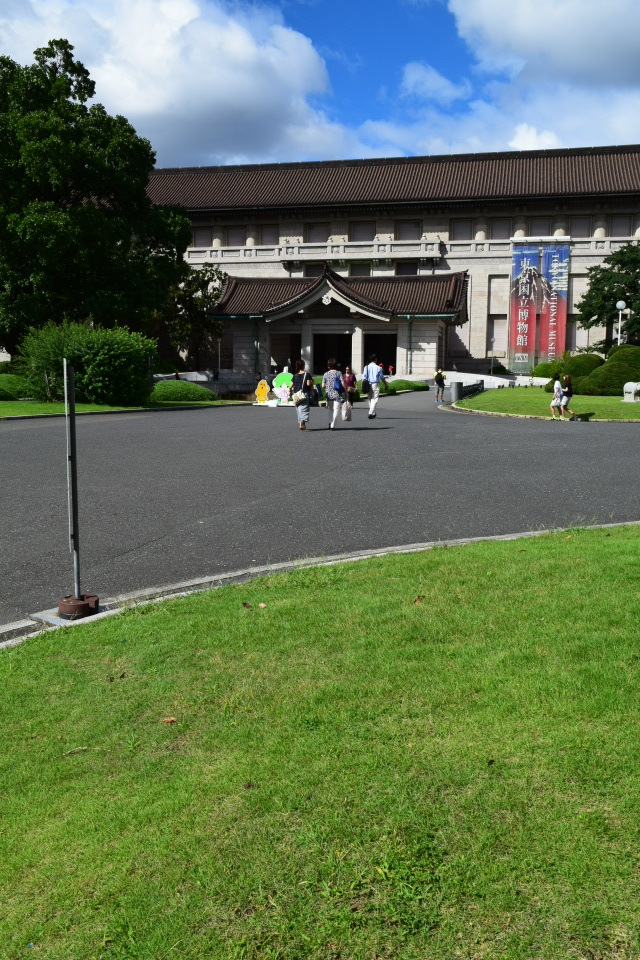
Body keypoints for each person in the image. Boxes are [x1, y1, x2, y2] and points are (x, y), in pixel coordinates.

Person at [322, 357, 346, 429]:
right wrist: (345, 391)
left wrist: (328, 385)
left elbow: (323, 386)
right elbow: (342, 383)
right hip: (336, 393)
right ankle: (333, 424)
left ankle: (330, 422)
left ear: (329, 365)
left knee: (330, 409)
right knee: (336, 409)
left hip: (328, 394)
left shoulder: (325, 374)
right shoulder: (339, 373)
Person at [361, 353, 386, 420]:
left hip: (368, 384)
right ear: (375, 359)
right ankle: (370, 412)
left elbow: (363, 377)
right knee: (375, 398)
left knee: (369, 398)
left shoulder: (366, 367)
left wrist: (362, 385)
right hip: (375, 384)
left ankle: (373, 413)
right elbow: (382, 377)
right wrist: (385, 384)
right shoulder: (378, 367)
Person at [291, 358, 314, 430]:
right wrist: (312, 383)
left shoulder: (294, 376)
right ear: (303, 366)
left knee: (298, 409)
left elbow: (290, 386)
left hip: (296, 395)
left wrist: (289, 392)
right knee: (304, 408)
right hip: (304, 393)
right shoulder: (307, 374)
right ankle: (302, 422)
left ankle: (300, 422)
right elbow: (308, 384)